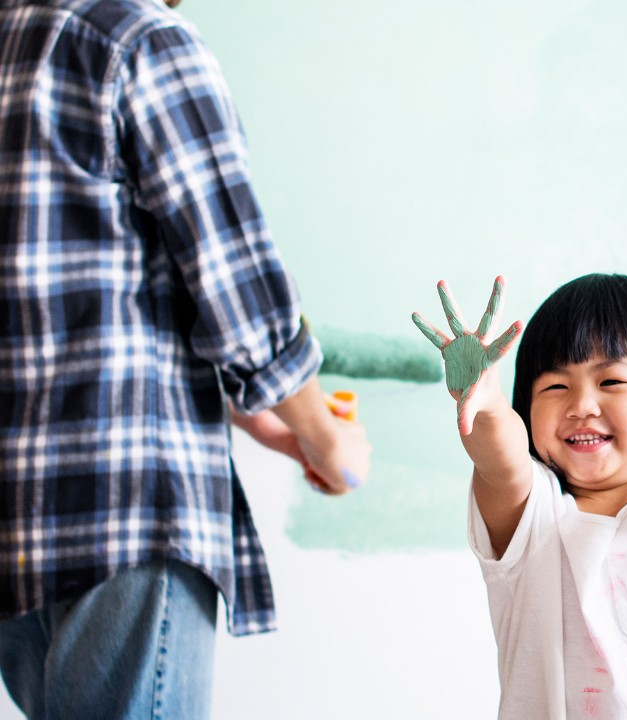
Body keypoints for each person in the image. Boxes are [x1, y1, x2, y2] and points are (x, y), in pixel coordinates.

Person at [0, 0, 371, 717]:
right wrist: (332, 440)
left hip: (21, 521)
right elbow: (238, 289)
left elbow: (79, 300)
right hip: (126, 505)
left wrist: (264, 421)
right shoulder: (139, 41)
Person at [412, 274, 627, 719]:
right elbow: (500, 463)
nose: (581, 404)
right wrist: (485, 404)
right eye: (555, 387)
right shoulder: (533, 516)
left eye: (612, 382)